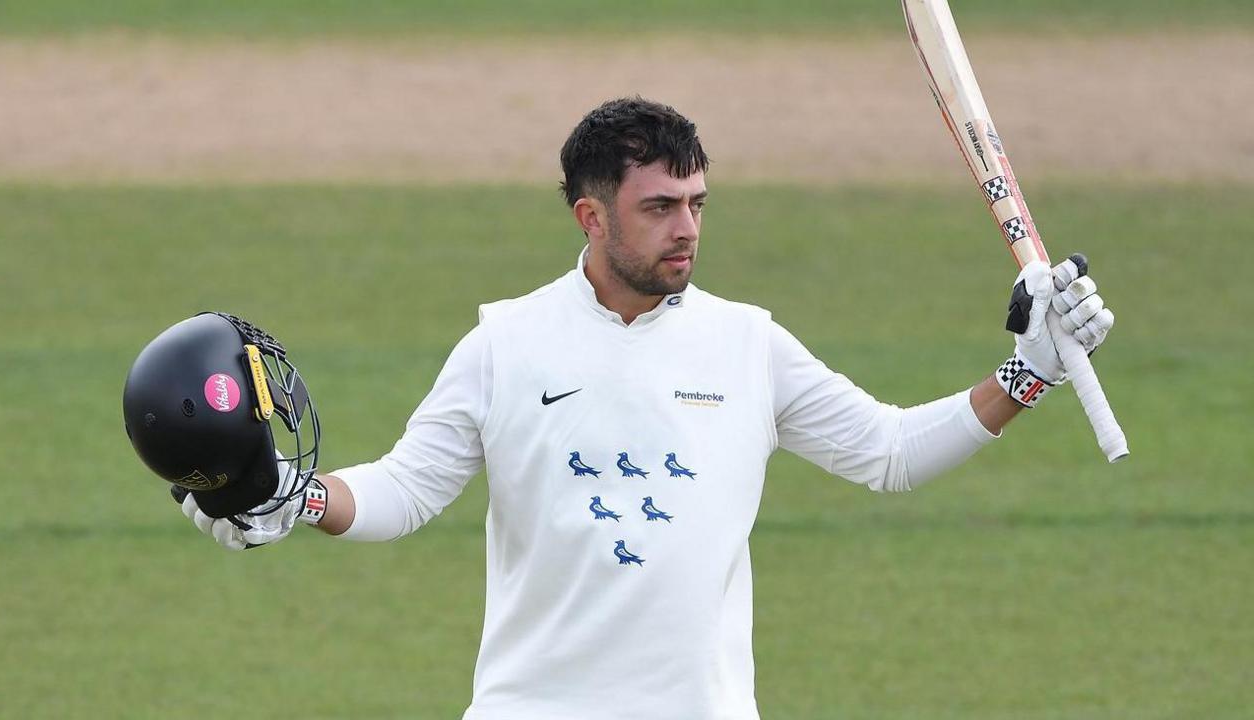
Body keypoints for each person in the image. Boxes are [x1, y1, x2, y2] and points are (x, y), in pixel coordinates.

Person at [179, 97, 1115, 719]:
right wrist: (294, 498)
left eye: (699, 204)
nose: (689, 230)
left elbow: (890, 452)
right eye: (662, 207)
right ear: (591, 217)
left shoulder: (748, 343)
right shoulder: (504, 344)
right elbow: (404, 491)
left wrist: (1028, 373)